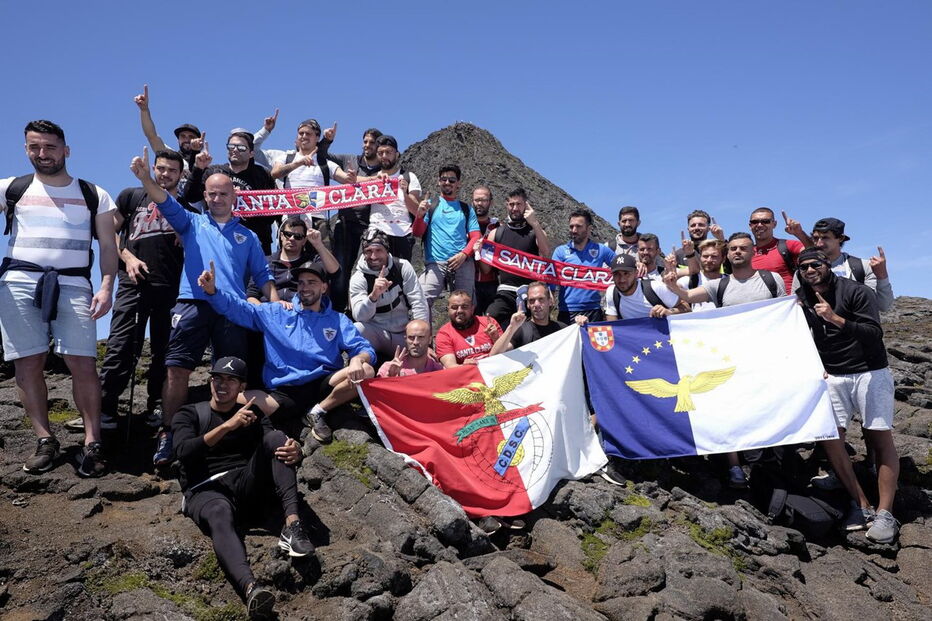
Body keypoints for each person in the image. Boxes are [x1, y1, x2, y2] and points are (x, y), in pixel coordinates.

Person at [129, 147, 278, 466]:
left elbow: (263, 277)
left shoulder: (249, 237)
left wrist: (276, 306)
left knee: (234, 376)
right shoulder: (191, 223)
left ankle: (234, 434)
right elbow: (163, 200)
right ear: (205, 196)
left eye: (224, 193)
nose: (217, 198)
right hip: (191, 304)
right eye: (212, 193)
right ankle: (169, 433)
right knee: (177, 368)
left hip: (231, 310)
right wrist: (144, 177)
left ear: (233, 196)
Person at [1, 120, 119, 478]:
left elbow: (108, 246)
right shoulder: (11, 189)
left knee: (83, 363)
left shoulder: (93, 193)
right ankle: (44, 440)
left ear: (66, 150)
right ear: (26, 149)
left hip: (74, 284)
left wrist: (106, 286)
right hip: (18, 282)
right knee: (28, 363)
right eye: (34, 147)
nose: (42, 154)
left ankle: (92, 442)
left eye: (50, 147)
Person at [172, 356, 310, 620]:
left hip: (247, 485)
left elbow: (273, 445)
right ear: (210, 381)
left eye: (230, 380)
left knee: (278, 438)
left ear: (242, 387)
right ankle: (250, 589)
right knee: (219, 514)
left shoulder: (254, 413)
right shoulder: (189, 413)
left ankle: (292, 526)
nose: (222, 385)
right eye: (217, 379)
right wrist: (227, 426)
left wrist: (297, 452)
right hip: (206, 489)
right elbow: (183, 451)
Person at [198, 260, 375, 444]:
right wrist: (213, 292)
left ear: (324, 287)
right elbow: (240, 309)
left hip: (323, 385)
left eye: (311, 282)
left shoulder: (337, 320)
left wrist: (357, 359)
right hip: (284, 392)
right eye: (301, 282)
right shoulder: (277, 312)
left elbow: (364, 348)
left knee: (366, 370)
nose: (305, 287)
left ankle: (317, 412)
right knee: (229, 400)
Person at [663, 232, 785, 488]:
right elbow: (687, 297)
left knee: (769, 413)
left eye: (743, 248)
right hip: (733, 361)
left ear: (753, 252)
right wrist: (673, 284)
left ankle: (773, 474)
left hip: (768, 361)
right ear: (728, 254)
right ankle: (745, 471)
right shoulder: (719, 285)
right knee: (739, 412)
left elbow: (784, 316)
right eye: (733, 248)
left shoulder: (771, 280)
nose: (738, 252)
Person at [795, 248, 900, 543]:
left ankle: (885, 512)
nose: (810, 270)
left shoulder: (856, 291)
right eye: (803, 267)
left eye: (815, 264)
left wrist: (835, 318)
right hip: (832, 376)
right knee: (830, 438)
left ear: (829, 265)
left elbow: (872, 333)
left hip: (870, 372)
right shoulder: (801, 297)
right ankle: (861, 505)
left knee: (880, 437)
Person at [93, 149, 189, 432]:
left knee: (164, 352)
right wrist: (129, 258)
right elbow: (106, 232)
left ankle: (156, 406)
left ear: (181, 175)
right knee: (120, 347)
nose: (166, 174)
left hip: (170, 289)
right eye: (161, 168)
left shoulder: (185, 209)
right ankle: (104, 408)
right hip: (132, 284)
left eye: (172, 170)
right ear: (153, 169)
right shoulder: (131, 196)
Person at [243, 217, 339, 389]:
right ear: (280, 235)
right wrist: (268, 311)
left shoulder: (312, 261)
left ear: (304, 241)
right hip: (269, 315)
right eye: (288, 234)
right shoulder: (265, 261)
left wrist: (318, 244)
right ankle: (253, 387)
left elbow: (334, 270)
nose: (292, 239)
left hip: (301, 315)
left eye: (298, 236)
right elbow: (251, 296)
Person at [183, 132, 278, 254]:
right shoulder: (213, 173)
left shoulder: (263, 174)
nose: (235, 150)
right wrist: (198, 168)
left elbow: (273, 212)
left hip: (256, 245)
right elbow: (190, 196)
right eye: (231, 146)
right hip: (220, 243)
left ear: (251, 153)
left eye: (241, 147)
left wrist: (246, 202)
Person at [325, 128, 383, 312]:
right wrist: (327, 140)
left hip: (369, 228)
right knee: (340, 271)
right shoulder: (348, 160)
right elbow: (322, 155)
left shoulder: (384, 170)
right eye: (365, 141)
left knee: (362, 271)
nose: (367, 145)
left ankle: (357, 312)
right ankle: (337, 312)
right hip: (344, 225)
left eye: (372, 142)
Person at [413, 165, 481, 318]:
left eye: (452, 180)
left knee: (465, 305)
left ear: (458, 183)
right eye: (444, 179)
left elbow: (476, 237)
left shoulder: (466, 209)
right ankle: (425, 340)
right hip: (436, 263)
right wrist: (419, 216)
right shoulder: (430, 205)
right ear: (438, 182)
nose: (447, 182)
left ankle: (463, 340)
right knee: (422, 301)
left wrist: (464, 254)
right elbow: (417, 232)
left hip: (462, 262)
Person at [349, 228, 428, 359]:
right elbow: (359, 316)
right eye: (368, 251)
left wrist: (423, 340)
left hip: (403, 334)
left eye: (378, 250)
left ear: (387, 250)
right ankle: (362, 369)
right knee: (357, 329)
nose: (373, 256)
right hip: (377, 333)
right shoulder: (359, 277)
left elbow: (418, 302)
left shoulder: (402, 267)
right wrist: (373, 296)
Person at [484, 188, 550, 330]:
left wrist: (535, 223)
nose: (515, 208)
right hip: (505, 292)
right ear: (506, 205)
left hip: (530, 292)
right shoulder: (496, 233)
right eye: (511, 204)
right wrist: (480, 251)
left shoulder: (535, 232)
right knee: (489, 318)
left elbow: (546, 254)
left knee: (532, 330)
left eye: (519, 204)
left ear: (526, 205)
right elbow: (486, 269)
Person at [807, 217, 893, 312]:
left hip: (853, 325)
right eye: (815, 238)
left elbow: (883, 305)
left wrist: (882, 276)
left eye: (825, 238)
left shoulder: (863, 267)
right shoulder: (805, 270)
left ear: (840, 238)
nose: (819, 243)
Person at [363, 135, 422, 260]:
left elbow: (417, 211)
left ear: (397, 154)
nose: (384, 156)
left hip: (402, 235)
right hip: (376, 234)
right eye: (381, 152)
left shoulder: (409, 177)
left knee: (399, 277)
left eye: (388, 152)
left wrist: (404, 193)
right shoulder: (371, 178)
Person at [551, 209, 615, 323]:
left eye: (578, 226)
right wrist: (549, 296)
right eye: (571, 227)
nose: (574, 230)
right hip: (567, 311)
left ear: (589, 229)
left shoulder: (601, 249)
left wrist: (637, 264)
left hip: (594, 311)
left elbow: (621, 265)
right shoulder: (560, 251)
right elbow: (551, 279)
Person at [132, 85, 201, 190]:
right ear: (178, 140)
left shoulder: (205, 165)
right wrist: (144, 110)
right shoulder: (170, 157)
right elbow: (152, 136)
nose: (187, 139)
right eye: (183, 136)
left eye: (191, 137)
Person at [489, 281, 570, 355]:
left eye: (541, 299)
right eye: (532, 300)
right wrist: (511, 327)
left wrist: (581, 325)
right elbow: (494, 354)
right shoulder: (522, 331)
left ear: (550, 301)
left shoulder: (562, 330)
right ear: (527, 304)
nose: (536, 304)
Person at [603, 254, 686, 321]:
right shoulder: (612, 292)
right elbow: (613, 326)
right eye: (617, 274)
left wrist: (668, 312)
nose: (622, 279)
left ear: (636, 273)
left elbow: (686, 307)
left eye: (626, 273)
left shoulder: (655, 287)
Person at [749, 207, 812, 293]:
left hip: (786, 304)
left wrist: (799, 233)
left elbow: (814, 253)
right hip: (757, 305)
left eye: (765, 221)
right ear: (750, 226)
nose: (759, 225)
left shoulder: (788, 245)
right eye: (755, 222)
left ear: (774, 224)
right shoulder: (745, 253)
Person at [435, 290, 502, 367]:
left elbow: (505, 352)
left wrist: (496, 338)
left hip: (494, 367)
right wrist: (464, 366)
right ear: (448, 310)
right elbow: (450, 366)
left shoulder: (488, 322)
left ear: (472, 309)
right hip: (467, 374)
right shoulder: (444, 334)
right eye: (454, 307)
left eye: (464, 307)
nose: (459, 311)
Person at [377, 319, 443, 377]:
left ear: (430, 340)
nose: (415, 342)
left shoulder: (438, 371)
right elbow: (377, 390)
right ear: (405, 339)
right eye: (411, 337)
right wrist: (390, 377)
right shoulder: (388, 367)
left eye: (421, 337)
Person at [676, 239, 727, 312]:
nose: (709, 260)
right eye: (705, 256)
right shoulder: (691, 280)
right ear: (700, 257)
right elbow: (669, 290)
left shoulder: (730, 281)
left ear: (723, 259)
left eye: (714, 256)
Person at [471, 186, 499, 315]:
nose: (479, 203)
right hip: (469, 282)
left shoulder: (498, 227)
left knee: (492, 322)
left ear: (491, 202)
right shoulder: (464, 224)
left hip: (492, 283)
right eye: (476, 200)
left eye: (483, 200)